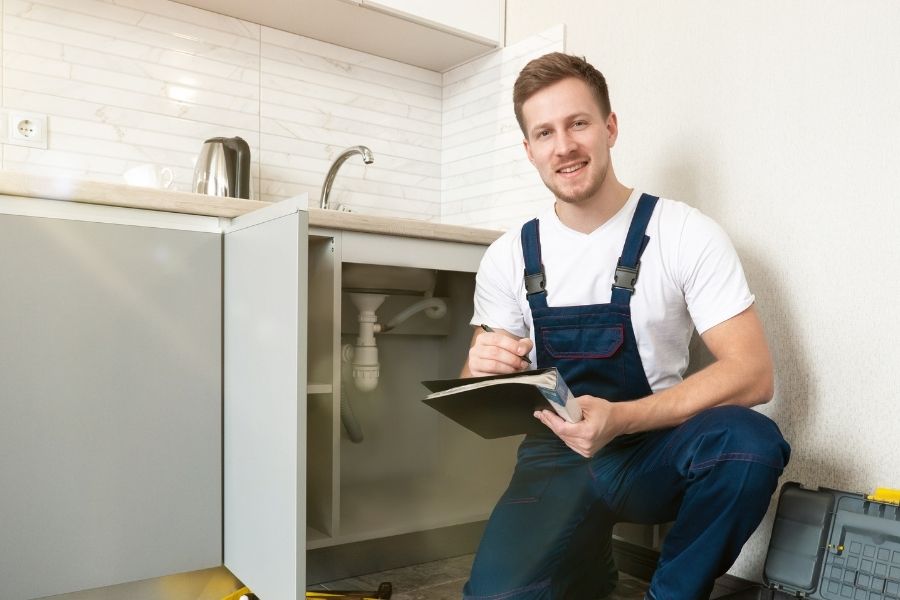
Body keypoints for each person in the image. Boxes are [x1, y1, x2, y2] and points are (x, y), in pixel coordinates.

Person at [460, 52, 790, 600]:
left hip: (651, 451)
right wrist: (476, 365)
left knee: (749, 444)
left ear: (610, 127)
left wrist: (623, 418)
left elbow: (753, 373)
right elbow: (474, 386)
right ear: (529, 150)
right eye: (545, 132)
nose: (563, 145)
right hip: (555, 457)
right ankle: (585, 564)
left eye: (578, 123)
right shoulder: (508, 256)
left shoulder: (684, 232)